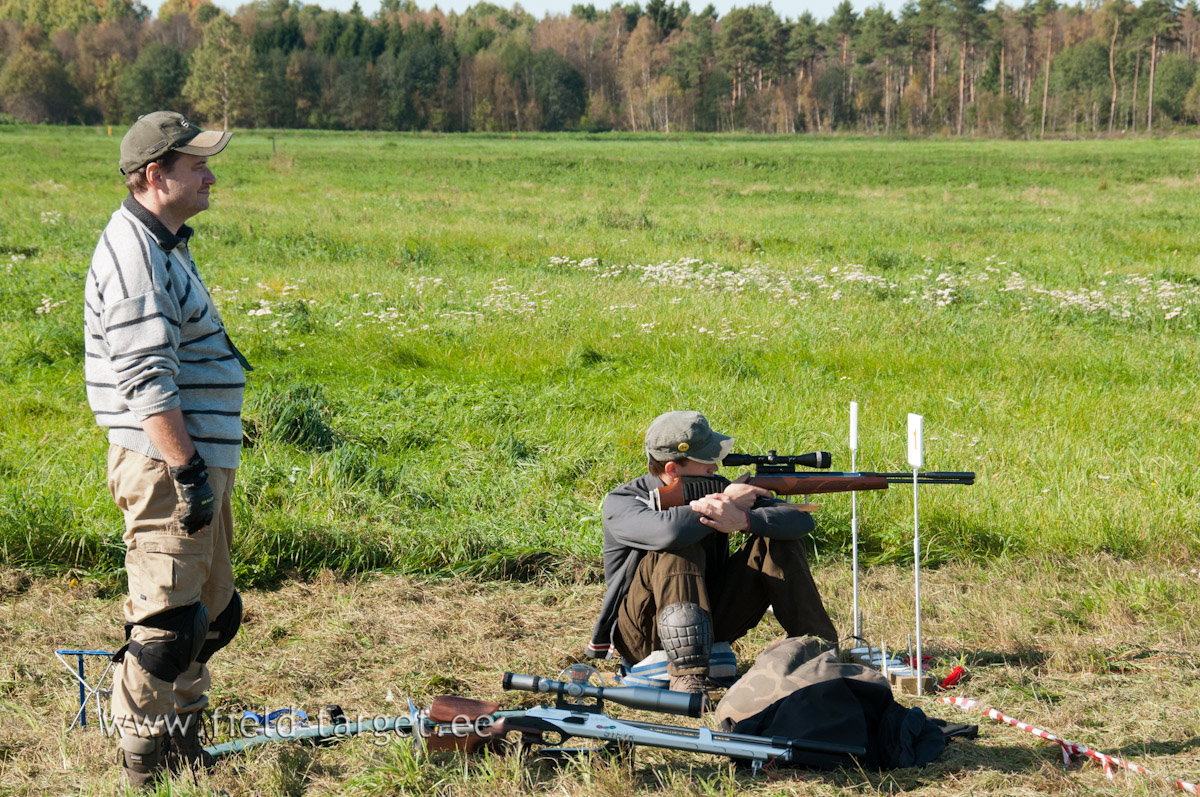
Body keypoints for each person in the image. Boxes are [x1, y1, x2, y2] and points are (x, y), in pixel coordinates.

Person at [84, 111, 250, 786]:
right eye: (197, 165)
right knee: (166, 624)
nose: (210, 175)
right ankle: (142, 759)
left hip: (191, 458)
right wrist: (186, 469)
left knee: (210, 613)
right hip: (165, 466)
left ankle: (184, 739)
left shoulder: (166, 242)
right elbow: (147, 382)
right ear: (156, 176)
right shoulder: (136, 256)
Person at [586, 411, 837, 699]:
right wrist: (727, 501)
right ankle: (688, 676)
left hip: (711, 623)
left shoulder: (717, 487)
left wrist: (745, 520)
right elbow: (670, 533)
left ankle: (820, 654)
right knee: (679, 544)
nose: (716, 465)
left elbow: (801, 523)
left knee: (779, 538)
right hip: (642, 634)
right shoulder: (624, 501)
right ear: (673, 468)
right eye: (706, 460)